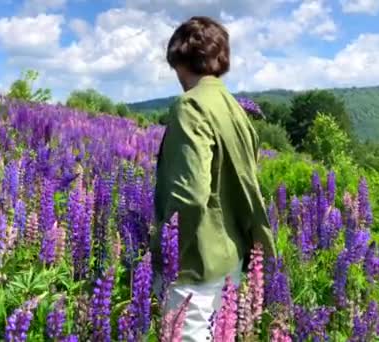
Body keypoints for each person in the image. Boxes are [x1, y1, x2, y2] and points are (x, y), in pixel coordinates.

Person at [150, 16, 277, 341]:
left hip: (196, 262)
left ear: (180, 58)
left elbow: (190, 195)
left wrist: (167, 253)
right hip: (231, 258)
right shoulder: (236, 110)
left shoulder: (190, 106)